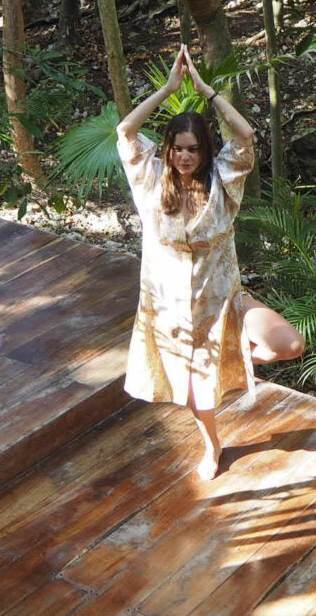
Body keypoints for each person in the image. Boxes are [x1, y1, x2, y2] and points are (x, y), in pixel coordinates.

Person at [115, 45, 304, 480]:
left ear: (204, 151)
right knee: (200, 395)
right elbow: (126, 130)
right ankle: (211, 446)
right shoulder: (149, 180)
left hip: (225, 302)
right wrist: (167, 89)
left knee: (289, 345)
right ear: (168, 149)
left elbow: (245, 135)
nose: (185, 157)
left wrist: (207, 90)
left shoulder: (223, 181)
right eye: (178, 149)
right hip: (173, 315)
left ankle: (229, 364)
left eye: (194, 149)